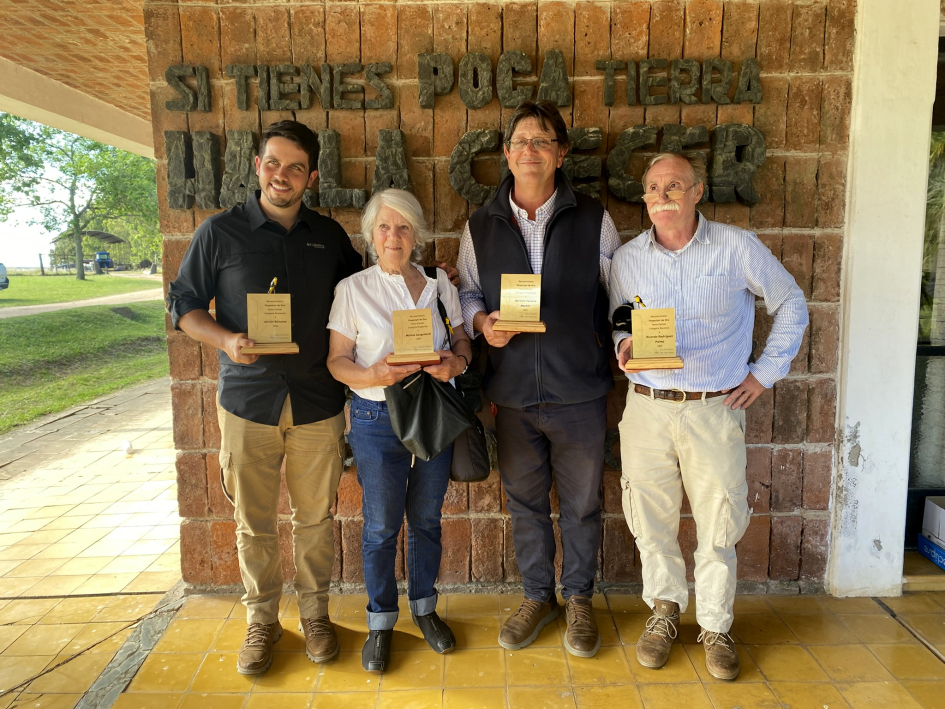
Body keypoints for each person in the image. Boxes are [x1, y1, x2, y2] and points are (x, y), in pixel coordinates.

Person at [610, 152, 808, 680]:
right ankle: (664, 611)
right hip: (648, 408)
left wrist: (765, 372)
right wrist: (625, 340)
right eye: (652, 187)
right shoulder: (628, 258)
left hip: (713, 408)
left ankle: (716, 626)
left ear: (697, 192)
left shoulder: (736, 247)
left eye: (674, 185)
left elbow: (791, 302)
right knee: (650, 519)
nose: (662, 196)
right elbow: (620, 314)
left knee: (718, 522)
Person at [457, 99, 621, 658]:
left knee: (581, 506)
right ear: (507, 153)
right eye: (521, 141)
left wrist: (627, 341)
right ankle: (536, 597)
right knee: (525, 505)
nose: (531, 150)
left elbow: (620, 296)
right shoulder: (481, 224)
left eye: (543, 140)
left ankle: (578, 600)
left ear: (561, 153)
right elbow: (469, 293)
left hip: (579, 390)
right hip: (514, 394)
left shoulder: (595, 220)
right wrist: (481, 324)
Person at [327, 188, 472, 674]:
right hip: (376, 417)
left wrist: (457, 362)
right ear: (371, 235)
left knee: (427, 519)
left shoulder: (438, 283)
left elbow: (461, 340)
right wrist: (373, 376)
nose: (394, 236)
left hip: (431, 409)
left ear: (417, 235)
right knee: (382, 526)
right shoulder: (353, 289)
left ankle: (425, 609)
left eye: (404, 227)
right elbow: (337, 361)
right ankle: (381, 621)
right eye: (385, 227)